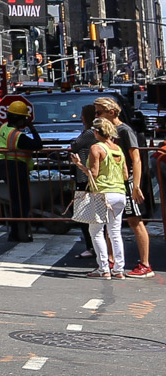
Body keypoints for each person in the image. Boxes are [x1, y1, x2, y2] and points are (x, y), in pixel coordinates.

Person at [81, 97, 151, 277]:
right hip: (117, 184)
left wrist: (136, 185)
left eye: (98, 113)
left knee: (134, 221)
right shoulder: (110, 133)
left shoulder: (124, 131)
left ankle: (145, 264)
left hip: (124, 184)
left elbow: (136, 159)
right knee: (112, 227)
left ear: (111, 112)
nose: (95, 116)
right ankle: (110, 262)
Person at [82, 117, 130, 279]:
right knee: (115, 232)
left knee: (95, 231)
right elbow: (125, 174)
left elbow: (93, 174)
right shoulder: (117, 149)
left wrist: (80, 165)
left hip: (103, 193)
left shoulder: (96, 148)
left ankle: (103, 268)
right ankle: (119, 269)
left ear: (96, 132)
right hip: (119, 193)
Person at [0, 99, 43, 242]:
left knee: (15, 200)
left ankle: (15, 232)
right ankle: (19, 233)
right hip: (15, 167)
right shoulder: (18, 136)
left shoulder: (4, 127)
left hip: (4, 166)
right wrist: (32, 128)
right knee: (22, 202)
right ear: (20, 119)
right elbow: (38, 145)